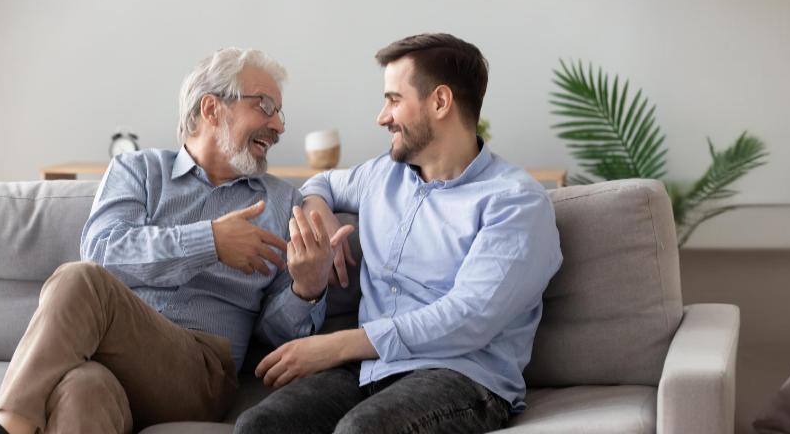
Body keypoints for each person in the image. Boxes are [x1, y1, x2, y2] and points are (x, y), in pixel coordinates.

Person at [0, 47, 352, 434]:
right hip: (109, 361)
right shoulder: (138, 171)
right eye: (265, 106)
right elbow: (102, 250)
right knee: (82, 387)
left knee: (80, 280)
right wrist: (210, 241)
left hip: (200, 373)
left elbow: (275, 342)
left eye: (280, 113)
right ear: (212, 109)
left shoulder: (282, 202)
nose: (279, 126)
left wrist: (307, 289)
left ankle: (6, 425)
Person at [234, 33, 563, 434]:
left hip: (462, 376)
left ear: (440, 102)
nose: (382, 116)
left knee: (363, 431)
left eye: (393, 99)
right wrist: (321, 214)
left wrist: (338, 345)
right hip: (370, 371)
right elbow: (321, 183)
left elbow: (469, 318)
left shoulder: (516, 202)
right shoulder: (381, 176)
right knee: (259, 425)